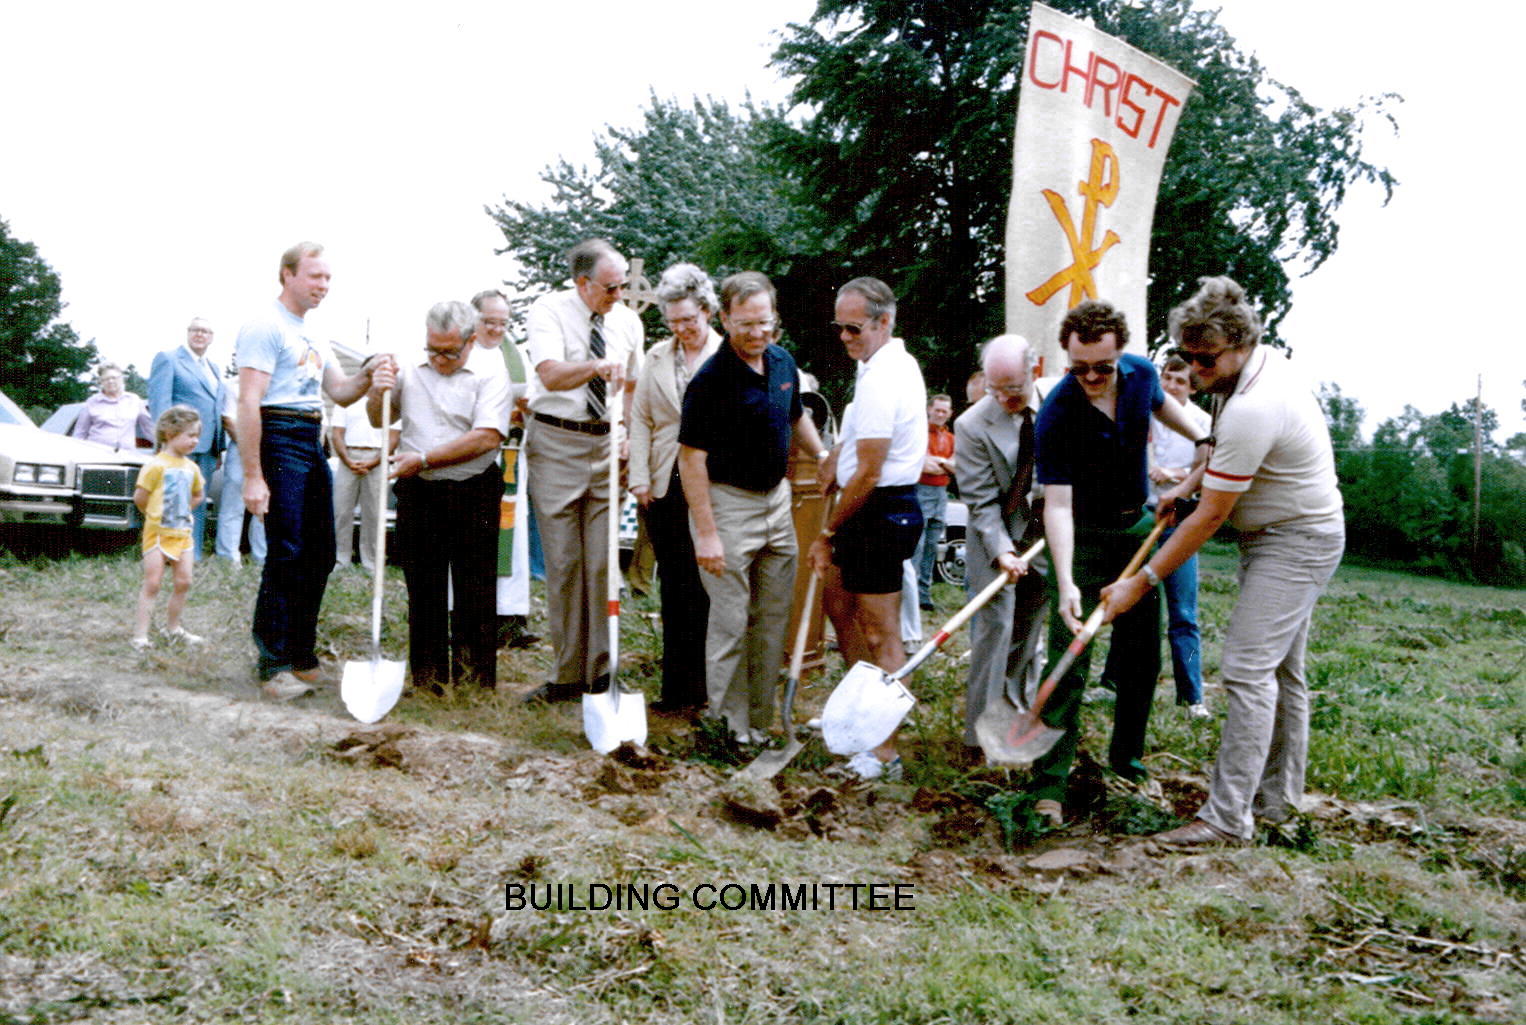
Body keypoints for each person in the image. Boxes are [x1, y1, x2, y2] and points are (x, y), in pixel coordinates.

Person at [1101, 277, 1344, 846]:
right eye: (1186, 356)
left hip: (1297, 539)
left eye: (1206, 358)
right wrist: (1185, 484)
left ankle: (1227, 819)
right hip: (1283, 531)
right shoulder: (1251, 369)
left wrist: (1142, 580)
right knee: (1282, 671)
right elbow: (1212, 462)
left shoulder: (1255, 406)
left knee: (1246, 670)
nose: (1195, 368)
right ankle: (1278, 803)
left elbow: (1209, 518)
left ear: (1241, 344)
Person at [1031, 299, 1210, 826]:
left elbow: (1160, 405)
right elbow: (1057, 506)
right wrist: (1065, 581)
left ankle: (1126, 760)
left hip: (1136, 530)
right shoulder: (1058, 414)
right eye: (1078, 367)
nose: (1090, 377)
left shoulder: (1141, 375)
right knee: (1069, 659)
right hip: (1083, 535)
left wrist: (1199, 439)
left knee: (1140, 658)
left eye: (1101, 367)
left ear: (1121, 356)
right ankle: (1050, 784)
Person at [679, 271, 828, 744]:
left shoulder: (783, 362)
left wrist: (823, 457)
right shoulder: (709, 381)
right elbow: (691, 460)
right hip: (728, 505)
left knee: (771, 620)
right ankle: (727, 729)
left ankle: (760, 724)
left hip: (777, 503)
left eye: (765, 323)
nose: (758, 333)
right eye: (745, 324)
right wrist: (706, 533)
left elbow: (796, 417)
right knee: (730, 622)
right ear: (724, 319)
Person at [236, 242, 383, 701]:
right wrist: (253, 475)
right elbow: (248, 402)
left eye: (328, 279)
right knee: (288, 549)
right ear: (287, 275)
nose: (323, 286)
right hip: (278, 435)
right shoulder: (265, 326)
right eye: (315, 276)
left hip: (311, 436)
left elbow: (339, 391)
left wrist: (371, 372)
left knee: (320, 551)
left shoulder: (314, 333)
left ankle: (301, 654)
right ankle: (273, 663)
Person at [808, 277, 927, 780]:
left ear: (884, 322)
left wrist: (827, 534)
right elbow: (859, 433)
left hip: (881, 508)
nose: (844, 337)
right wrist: (836, 452)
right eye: (839, 327)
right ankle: (860, 717)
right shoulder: (874, 368)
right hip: (867, 504)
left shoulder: (887, 374)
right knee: (840, 608)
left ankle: (885, 751)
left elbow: (872, 470)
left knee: (880, 631)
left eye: (853, 327)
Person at [521, 240, 645, 702]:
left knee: (601, 562)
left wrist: (630, 433)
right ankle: (567, 673)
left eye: (622, 287)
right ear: (582, 283)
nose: (617, 295)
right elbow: (550, 375)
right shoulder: (548, 311)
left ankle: (603, 672)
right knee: (565, 563)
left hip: (606, 444)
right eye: (610, 288)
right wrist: (595, 365)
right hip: (557, 441)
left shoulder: (628, 321)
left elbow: (632, 385)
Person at [369, 301, 510, 691]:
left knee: (475, 588)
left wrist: (426, 458)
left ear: (471, 341)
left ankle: (473, 681)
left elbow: (488, 436)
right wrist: (375, 390)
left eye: (450, 351)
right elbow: (377, 416)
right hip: (419, 490)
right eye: (434, 349)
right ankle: (428, 678)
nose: (440, 359)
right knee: (424, 586)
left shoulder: (491, 370)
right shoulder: (409, 370)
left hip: (473, 488)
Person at [630, 263, 722, 716]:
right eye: (673, 321)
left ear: (707, 311)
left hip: (715, 484)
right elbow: (642, 418)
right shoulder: (656, 358)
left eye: (689, 319)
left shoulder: (729, 356)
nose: (682, 329)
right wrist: (640, 477)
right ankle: (676, 689)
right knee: (676, 586)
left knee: (710, 587)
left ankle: (711, 688)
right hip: (666, 482)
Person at [955, 335, 1049, 765]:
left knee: (1029, 634)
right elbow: (980, 502)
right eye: (994, 389)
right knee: (996, 630)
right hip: (993, 535)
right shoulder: (972, 425)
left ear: (1036, 369)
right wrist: (1002, 551)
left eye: (1013, 389)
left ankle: (1015, 725)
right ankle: (980, 741)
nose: (1003, 399)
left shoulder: (1059, 402)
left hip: (1046, 533)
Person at [470, 289, 537, 651]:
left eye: (502, 323)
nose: (496, 330)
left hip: (509, 455)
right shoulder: (463, 351)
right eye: (488, 322)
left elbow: (533, 396)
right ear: (473, 320)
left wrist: (525, 407)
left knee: (511, 534)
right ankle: (468, 615)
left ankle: (509, 618)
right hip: (470, 457)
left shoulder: (516, 356)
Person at [1150, 355, 1212, 717]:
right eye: (1167, 379)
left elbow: (1208, 465)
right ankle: (1112, 683)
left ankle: (1192, 696)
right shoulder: (1146, 412)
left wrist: (1173, 474)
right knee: (1133, 610)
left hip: (1180, 522)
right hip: (1143, 517)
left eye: (1179, 381)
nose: (1171, 387)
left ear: (1191, 386)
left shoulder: (1203, 422)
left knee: (1183, 614)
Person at [131, 406, 206, 650]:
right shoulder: (155, 465)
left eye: (197, 435)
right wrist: (154, 516)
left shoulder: (192, 468)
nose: (195, 440)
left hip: (182, 535)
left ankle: (173, 628)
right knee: (153, 582)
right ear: (169, 434)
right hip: (157, 535)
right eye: (190, 435)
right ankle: (140, 636)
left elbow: (197, 495)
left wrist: (183, 510)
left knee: (184, 582)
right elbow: (140, 497)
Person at [149, 317, 226, 554]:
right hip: (179, 444)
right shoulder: (169, 359)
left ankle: (193, 552)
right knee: (174, 499)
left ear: (211, 337)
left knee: (197, 499)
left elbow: (216, 409)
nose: (200, 335)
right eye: (195, 330)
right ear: (187, 333)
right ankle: (166, 550)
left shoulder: (213, 367)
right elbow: (159, 403)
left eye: (205, 331)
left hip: (207, 446)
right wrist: (166, 441)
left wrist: (218, 446)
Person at [331, 389, 396, 572]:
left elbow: (393, 439)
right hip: (348, 456)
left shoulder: (391, 401)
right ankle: (339, 560)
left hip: (378, 458)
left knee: (373, 514)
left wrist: (374, 461)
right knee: (341, 511)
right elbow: (337, 434)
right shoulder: (346, 399)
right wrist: (348, 460)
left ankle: (371, 563)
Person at [215, 374, 267, 566]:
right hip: (240, 448)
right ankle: (228, 556)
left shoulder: (274, 381)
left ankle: (261, 556)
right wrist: (249, 447)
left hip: (269, 449)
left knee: (263, 505)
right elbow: (228, 419)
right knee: (233, 505)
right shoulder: (233, 384)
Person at [911, 393, 955, 610]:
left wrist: (941, 463)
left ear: (950, 413)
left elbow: (959, 466)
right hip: (921, 490)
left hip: (941, 493)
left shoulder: (950, 438)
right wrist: (946, 464)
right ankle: (909, 597)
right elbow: (925, 465)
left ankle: (924, 596)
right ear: (929, 409)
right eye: (937, 410)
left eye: (944, 411)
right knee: (916, 546)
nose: (940, 414)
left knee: (932, 546)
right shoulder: (919, 433)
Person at [72, 363, 152, 449]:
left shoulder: (134, 400)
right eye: (106, 379)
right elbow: (80, 433)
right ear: (101, 382)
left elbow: (148, 428)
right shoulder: (91, 402)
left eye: (114, 378)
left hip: (128, 456)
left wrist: (163, 448)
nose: (110, 381)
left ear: (122, 379)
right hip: (98, 456)